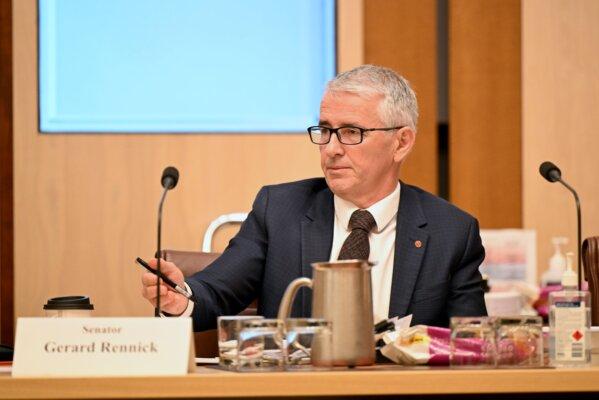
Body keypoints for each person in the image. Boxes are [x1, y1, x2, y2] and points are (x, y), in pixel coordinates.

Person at [141, 65, 487, 331]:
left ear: (402, 142)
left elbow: (471, 345)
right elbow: (216, 292)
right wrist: (180, 297)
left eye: (351, 132)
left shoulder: (452, 232)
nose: (332, 149)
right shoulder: (279, 211)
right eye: (325, 130)